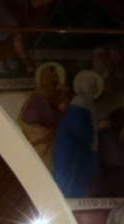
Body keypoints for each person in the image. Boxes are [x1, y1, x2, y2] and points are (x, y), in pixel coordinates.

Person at [53, 70, 101, 198]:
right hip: (70, 149)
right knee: (71, 178)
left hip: (78, 149)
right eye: (94, 86)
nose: (96, 90)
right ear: (88, 86)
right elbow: (78, 130)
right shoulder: (78, 104)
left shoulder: (85, 104)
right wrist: (95, 127)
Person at [19, 61, 68, 162]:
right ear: (48, 78)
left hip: (37, 135)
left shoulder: (44, 93)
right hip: (37, 136)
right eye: (55, 75)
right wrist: (62, 110)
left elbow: (54, 103)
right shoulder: (41, 98)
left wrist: (63, 94)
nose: (58, 78)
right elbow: (51, 120)